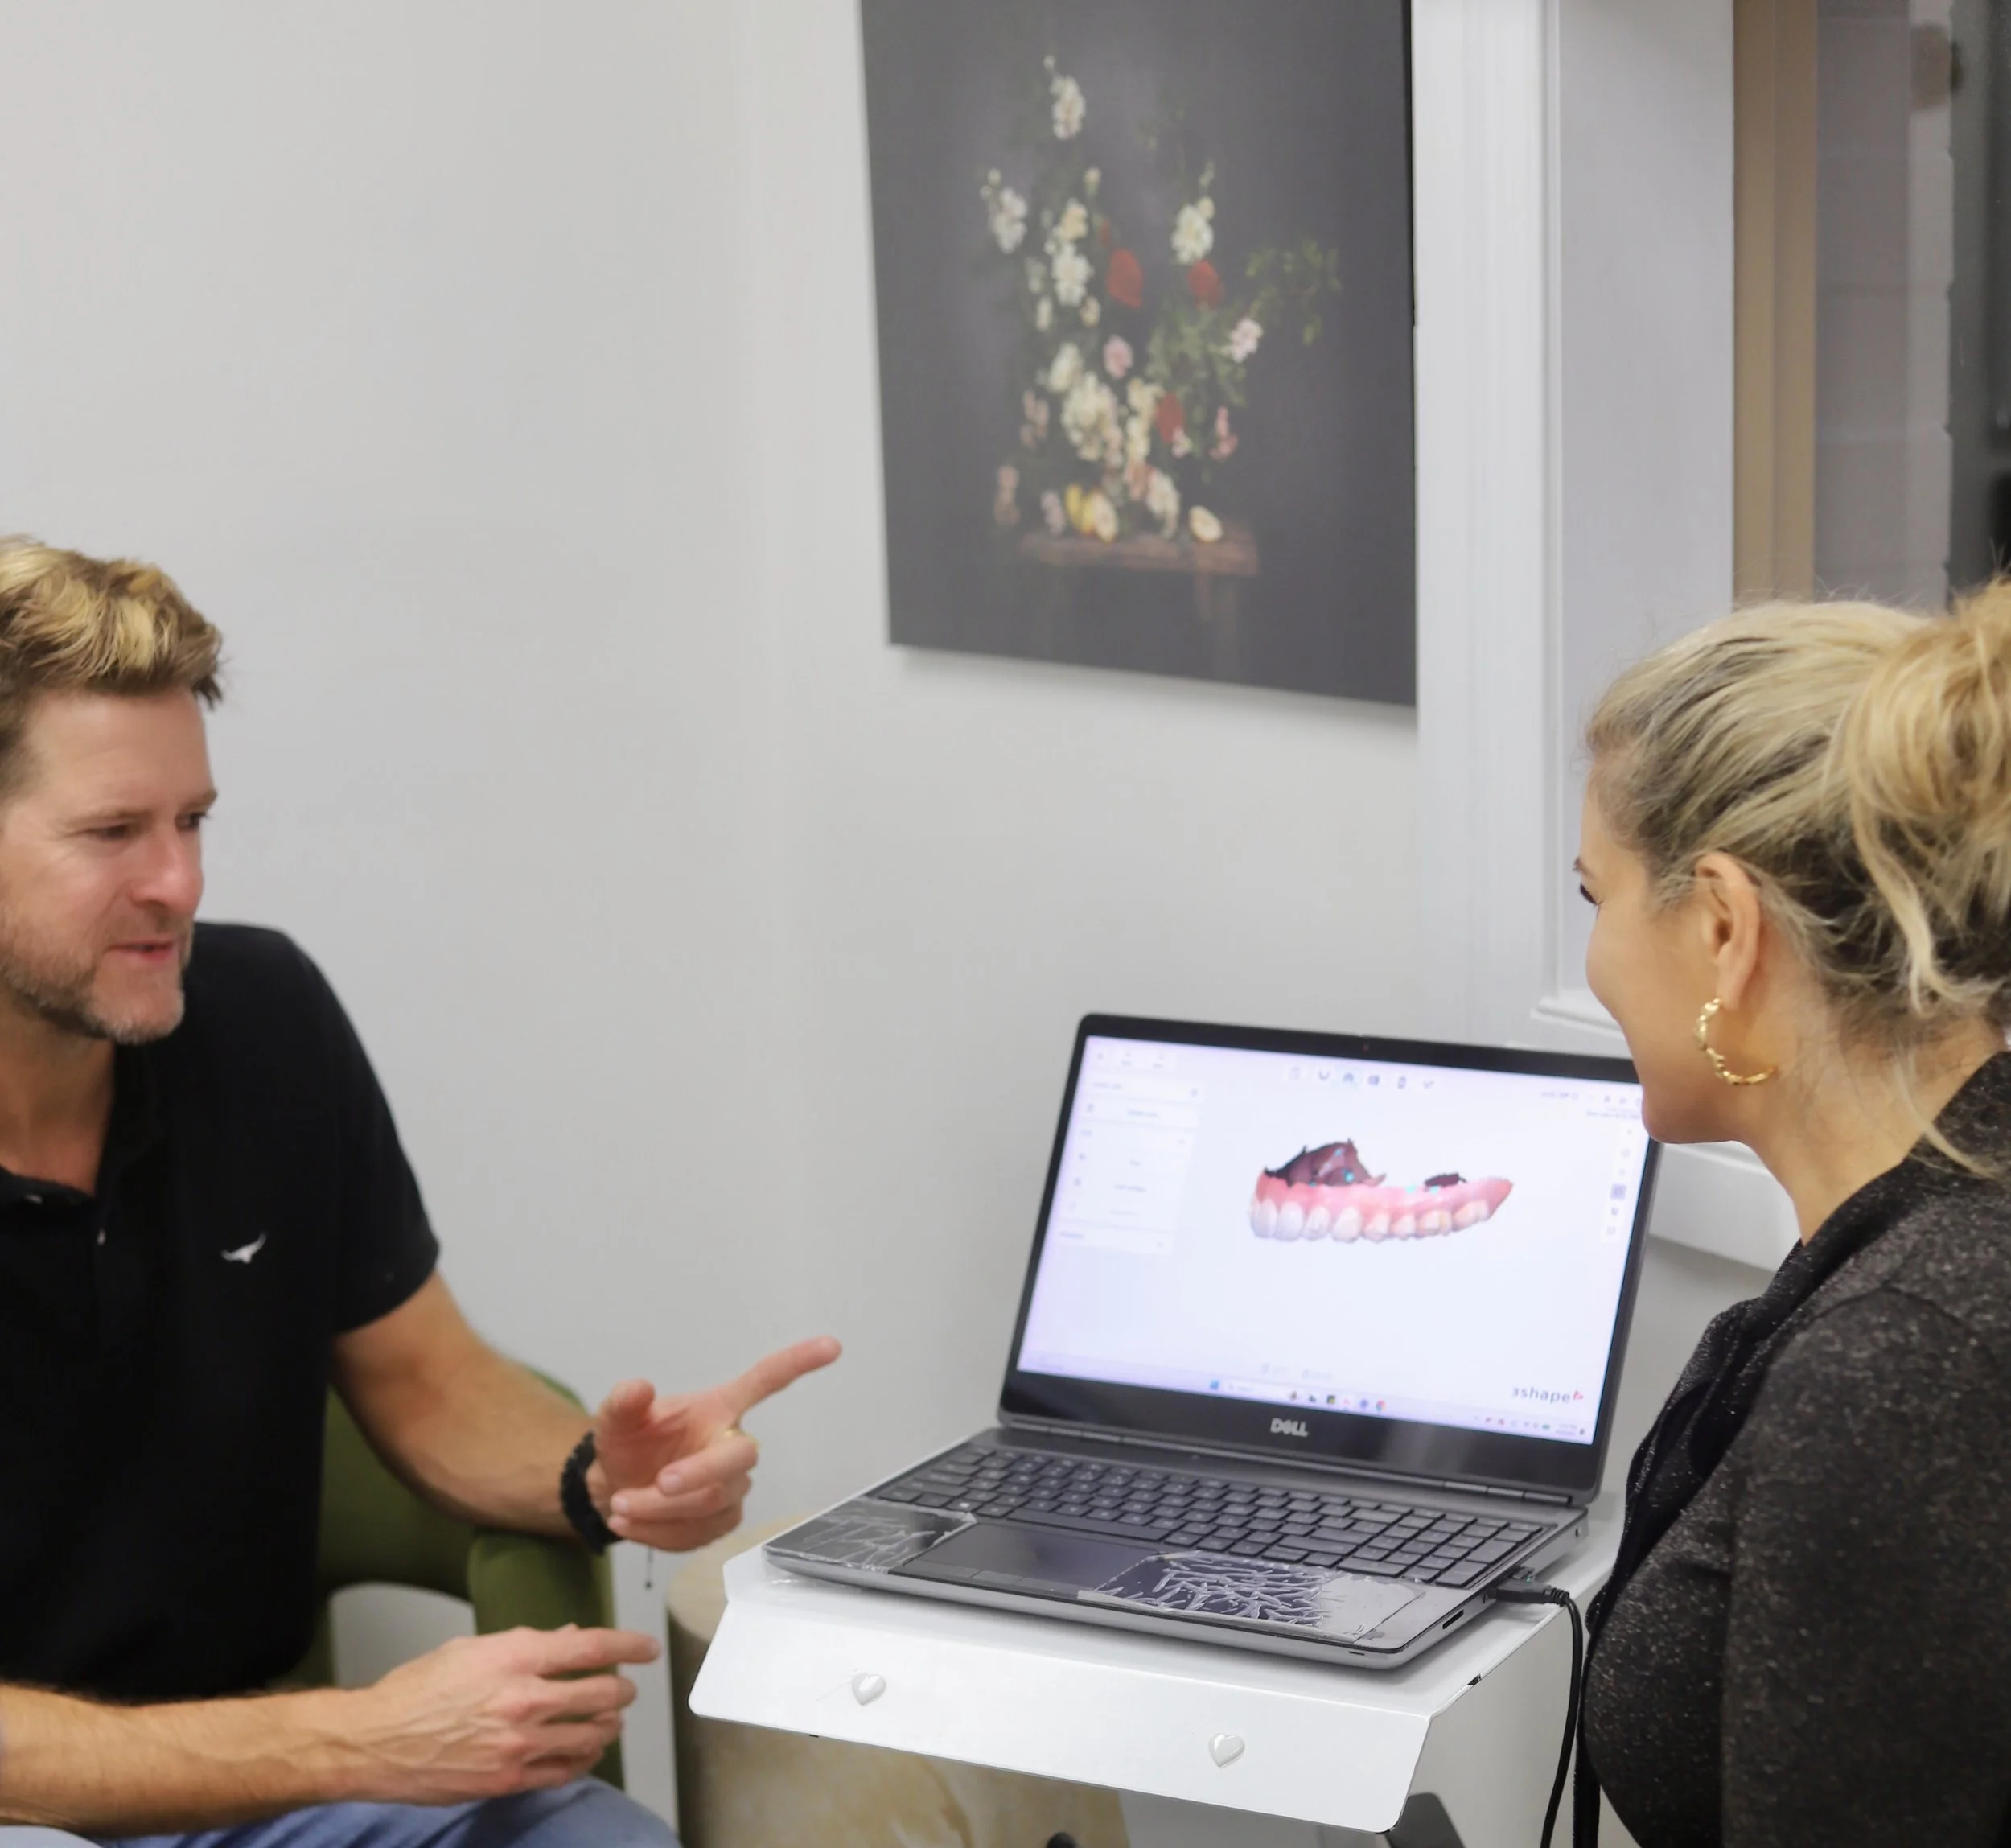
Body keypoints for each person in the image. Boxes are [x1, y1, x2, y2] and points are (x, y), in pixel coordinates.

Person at [0, 541, 841, 1846]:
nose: (180, 884)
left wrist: (601, 1478)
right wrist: (359, 1737)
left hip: (271, 1798)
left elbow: (427, 1381)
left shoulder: (259, 1018)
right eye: (114, 833)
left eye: (192, 821)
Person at [1570, 582, 2011, 1845]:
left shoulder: (1906, 1362)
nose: (1595, 954)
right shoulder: (1932, 1250)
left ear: (1723, 927)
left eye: (1592, 893)